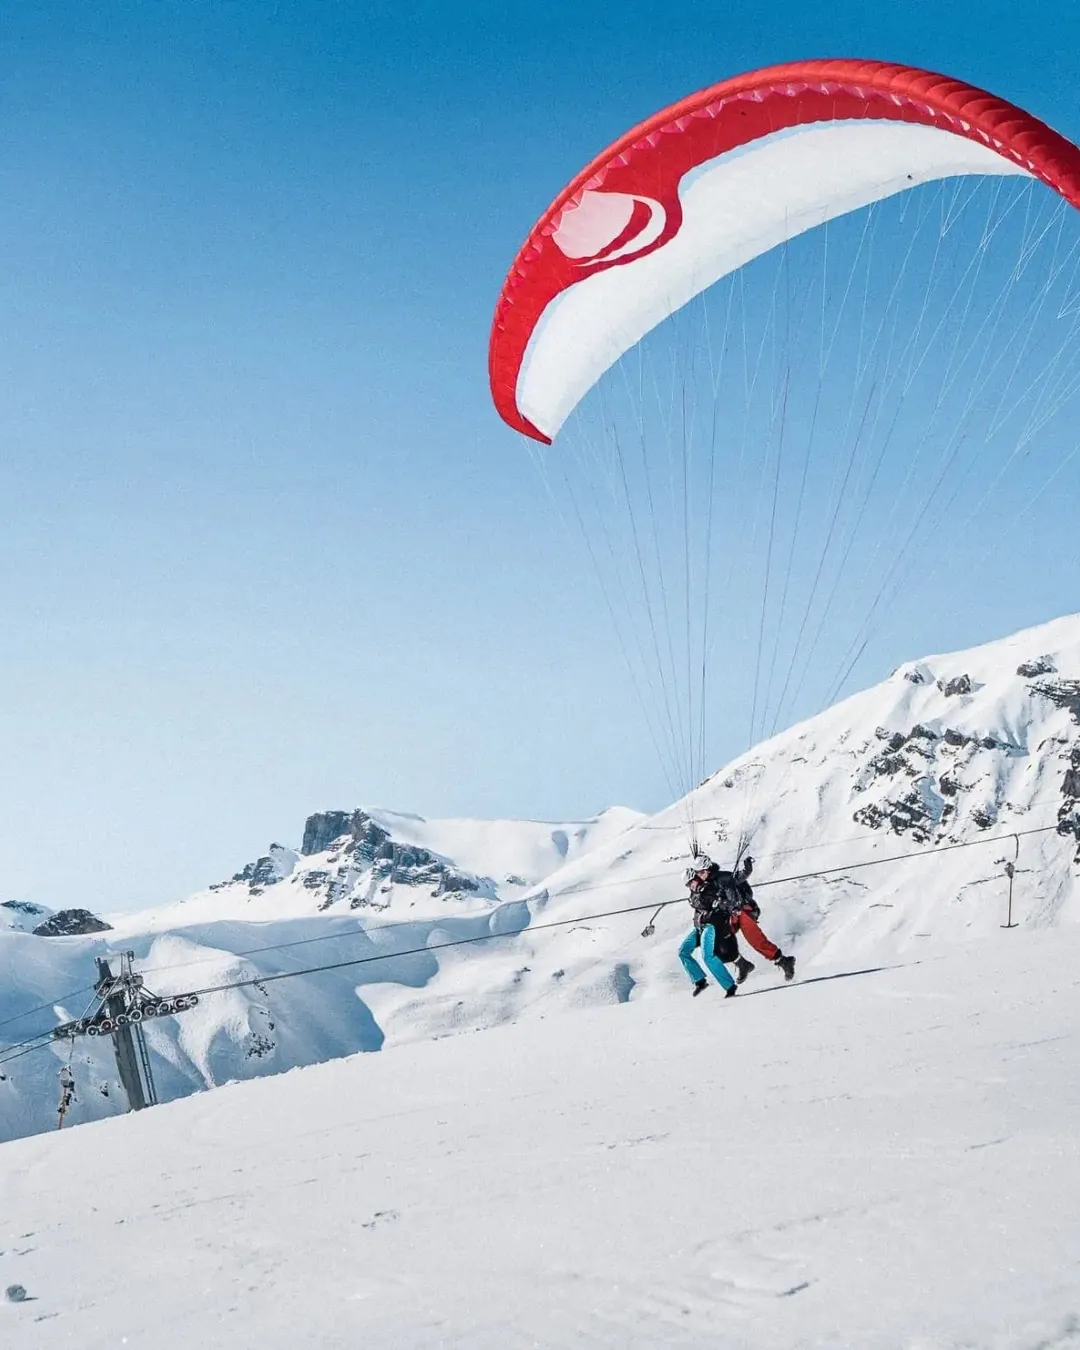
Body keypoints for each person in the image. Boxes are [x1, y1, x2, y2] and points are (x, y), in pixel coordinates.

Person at [678, 855, 795, 996]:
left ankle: (783, 961)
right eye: (697, 873)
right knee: (719, 943)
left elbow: (738, 877)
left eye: (702, 872)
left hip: (742, 911)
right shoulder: (706, 884)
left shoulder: (722, 878)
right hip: (729, 916)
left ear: (708, 869)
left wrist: (747, 869)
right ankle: (742, 964)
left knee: (755, 940)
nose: (700, 875)